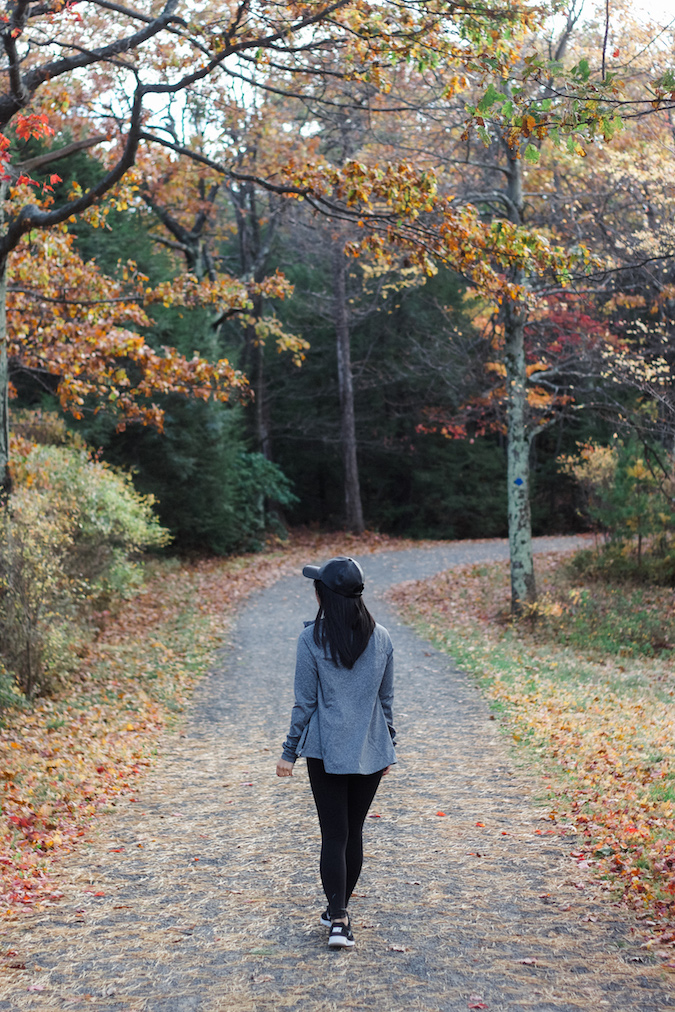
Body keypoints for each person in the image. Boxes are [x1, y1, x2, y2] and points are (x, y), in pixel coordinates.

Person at [276, 556, 396, 949]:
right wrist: (389, 744)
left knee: (334, 834)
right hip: (370, 749)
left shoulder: (311, 639)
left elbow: (305, 703)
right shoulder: (382, 638)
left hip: (325, 750)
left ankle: (339, 918)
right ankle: (337, 913)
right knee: (352, 832)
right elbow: (386, 700)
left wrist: (289, 752)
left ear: (324, 595)